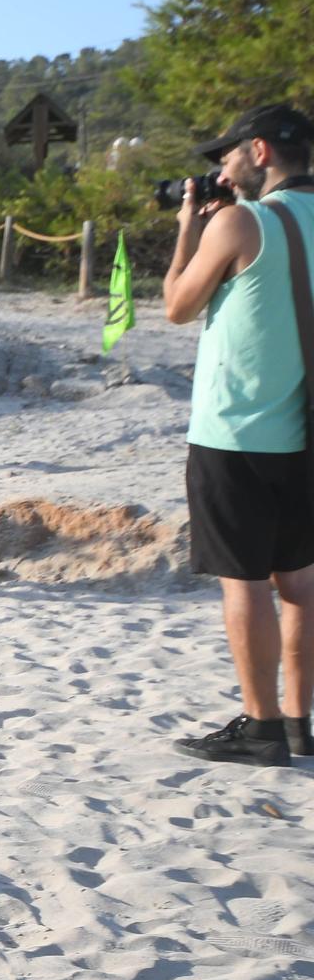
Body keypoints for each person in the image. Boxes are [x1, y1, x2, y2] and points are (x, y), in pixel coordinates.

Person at [162, 103, 314, 767]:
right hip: (303, 433)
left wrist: (186, 231)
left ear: (258, 153)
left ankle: (260, 727)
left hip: (233, 435)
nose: (219, 170)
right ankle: (300, 724)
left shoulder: (241, 222)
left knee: (244, 583)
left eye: (224, 156)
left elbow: (175, 305)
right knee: (302, 585)